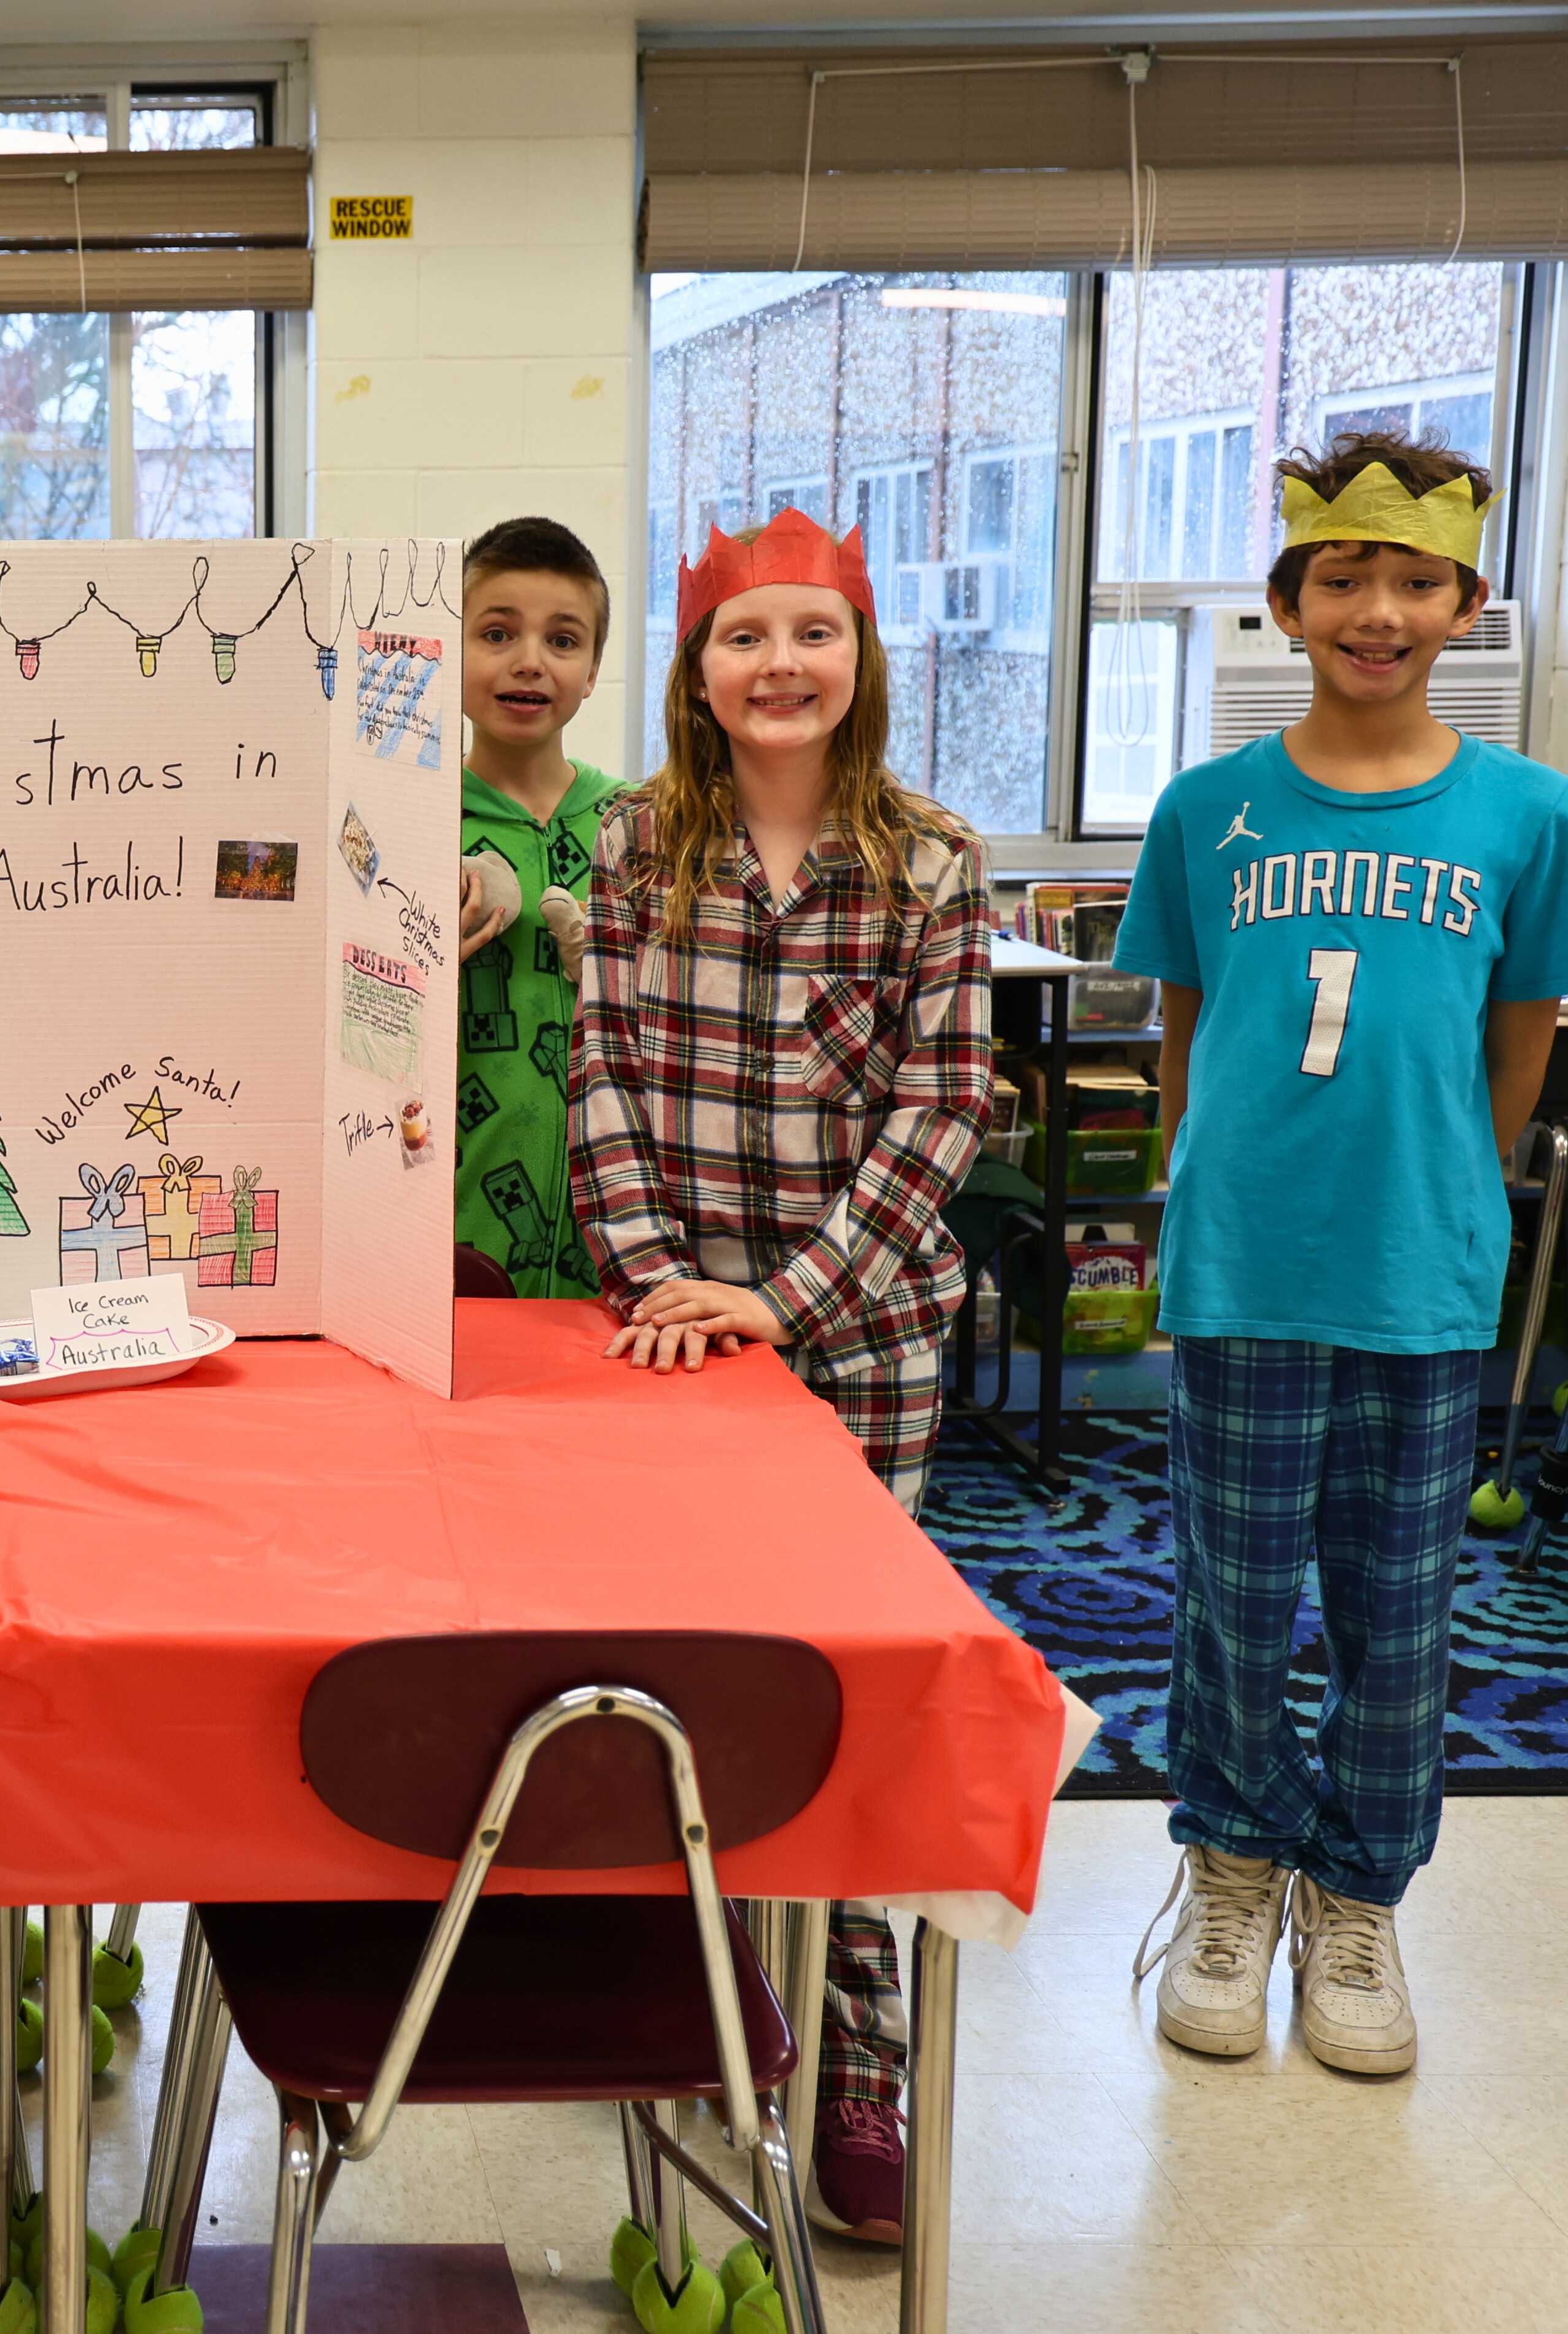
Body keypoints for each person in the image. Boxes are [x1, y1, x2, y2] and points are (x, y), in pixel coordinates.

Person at [1116, 432, 1568, 2078]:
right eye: (1341, 577)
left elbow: (1513, 1044)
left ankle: (1355, 1891)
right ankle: (1233, 1860)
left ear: (1461, 602)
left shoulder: (1521, 812)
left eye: (1410, 581)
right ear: (1287, 600)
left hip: (1418, 1268)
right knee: (1234, 1597)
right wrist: (1203, 1184)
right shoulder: (1205, 810)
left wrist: (1449, 1189)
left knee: (1397, 1610)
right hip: (1246, 1259)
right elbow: (1183, 1030)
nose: (1374, 609)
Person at [568, 507, 991, 2242]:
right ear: (696, 670)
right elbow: (596, 1065)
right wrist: (664, 1274)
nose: (779, 665)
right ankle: (695, 1991)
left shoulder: (934, 863)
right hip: (663, 1338)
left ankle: (858, 2047)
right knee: (682, 1682)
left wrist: (791, 1299)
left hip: (862, 1341)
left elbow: (941, 1106)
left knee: (842, 1694)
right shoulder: (634, 843)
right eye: (744, 638)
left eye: (812, 634)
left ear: (859, 657)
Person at [452, 516, 623, 1298]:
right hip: (456, 1231)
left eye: (563, 640)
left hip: (622, 1238)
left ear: (592, 671)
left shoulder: (641, 822)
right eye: (495, 633)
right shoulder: (410, 818)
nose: (530, 662)